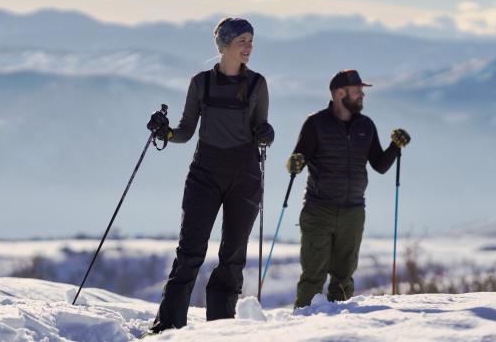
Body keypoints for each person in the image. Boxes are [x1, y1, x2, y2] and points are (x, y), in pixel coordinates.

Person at [149, 17, 274, 332]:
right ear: (225, 45)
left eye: (251, 41)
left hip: (244, 174)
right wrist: (164, 133)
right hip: (204, 173)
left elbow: (263, 131)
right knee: (190, 251)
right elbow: (186, 132)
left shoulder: (258, 84)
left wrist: (266, 133)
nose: (249, 47)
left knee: (232, 256)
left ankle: (220, 329)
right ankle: (167, 327)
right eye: (243, 40)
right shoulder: (200, 82)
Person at [286, 69, 410, 308]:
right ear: (339, 93)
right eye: (357, 91)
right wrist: (293, 164)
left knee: (343, 279)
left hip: (353, 212)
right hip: (318, 211)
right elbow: (298, 161)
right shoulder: (316, 124)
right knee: (313, 276)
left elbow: (380, 165)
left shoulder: (366, 126)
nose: (362, 95)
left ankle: (339, 330)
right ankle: (300, 325)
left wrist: (395, 147)